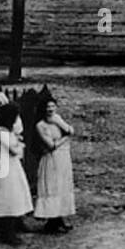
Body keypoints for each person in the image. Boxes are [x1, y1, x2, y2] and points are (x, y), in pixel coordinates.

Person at [0, 93, 33, 245]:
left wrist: (18, 144)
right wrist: (19, 145)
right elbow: (15, 150)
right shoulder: (1, 132)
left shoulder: (5, 131)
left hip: (10, 165)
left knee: (14, 195)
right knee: (6, 197)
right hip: (4, 167)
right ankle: (6, 232)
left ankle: (12, 226)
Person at [34, 95, 76, 234]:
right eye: (47, 107)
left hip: (63, 158)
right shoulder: (40, 125)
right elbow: (51, 145)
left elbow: (71, 130)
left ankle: (59, 220)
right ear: (43, 109)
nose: (50, 109)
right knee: (53, 188)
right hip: (51, 159)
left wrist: (58, 122)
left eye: (52, 106)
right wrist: (65, 138)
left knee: (62, 187)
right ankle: (52, 223)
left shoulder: (57, 119)